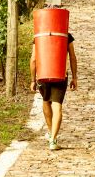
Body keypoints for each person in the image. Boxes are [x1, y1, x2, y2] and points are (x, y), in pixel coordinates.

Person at [29, 9, 78, 151]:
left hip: (43, 74)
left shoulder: (38, 36)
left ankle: (51, 134)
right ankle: (53, 139)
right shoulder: (66, 35)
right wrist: (74, 77)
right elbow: (73, 57)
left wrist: (33, 79)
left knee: (46, 102)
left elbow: (33, 59)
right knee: (57, 106)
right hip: (60, 74)